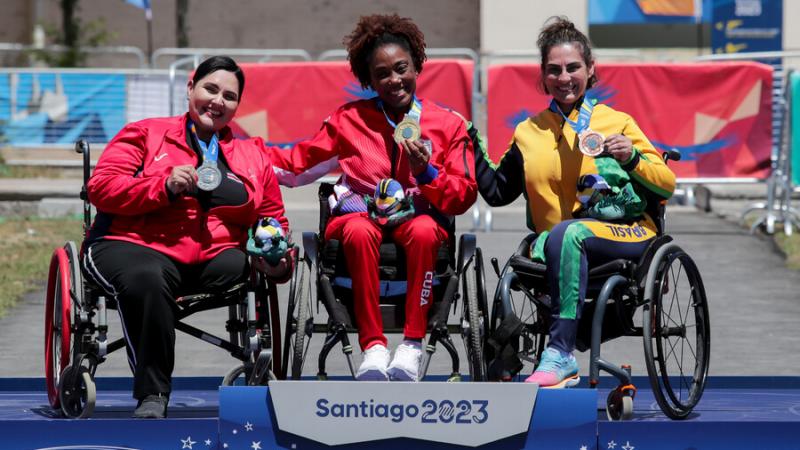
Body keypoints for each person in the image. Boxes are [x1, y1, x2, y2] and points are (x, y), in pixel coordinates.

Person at [269, 14, 477, 381]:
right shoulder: (349, 120)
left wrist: (426, 172)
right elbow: (295, 164)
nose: (394, 80)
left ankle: (412, 345)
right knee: (357, 232)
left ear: (417, 66)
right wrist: (237, 156)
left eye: (402, 69)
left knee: (427, 231)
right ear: (369, 80)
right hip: (360, 215)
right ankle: (374, 347)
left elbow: (462, 196)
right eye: (383, 74)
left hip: (420, 217)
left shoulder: (449, 125)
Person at [83, 56, 290, 418]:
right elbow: (101, 188)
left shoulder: (251, 154)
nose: (218, 101)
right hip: (132, 245)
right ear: (190, 87)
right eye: (210, 89)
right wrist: (163, 185)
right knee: (147, 278)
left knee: (250, 265)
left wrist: (276, 255)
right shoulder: (145, 132)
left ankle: (259, 377)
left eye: (229, 96)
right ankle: (153, 394)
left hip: (212, 257)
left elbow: (272, 218)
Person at [475, 17, 675, 388]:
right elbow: (498, 192)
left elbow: (666, 186)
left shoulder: (615, 121)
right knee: (563, 236)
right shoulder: (528, 132)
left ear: (591, 69)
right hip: (557, 243)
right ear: (543, 75)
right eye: (554, 70)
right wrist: (469, 142)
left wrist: (631, 158)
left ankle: (561, 353)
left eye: (573, 67)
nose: (564, 77)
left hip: (624, 234)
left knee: (571, 233)